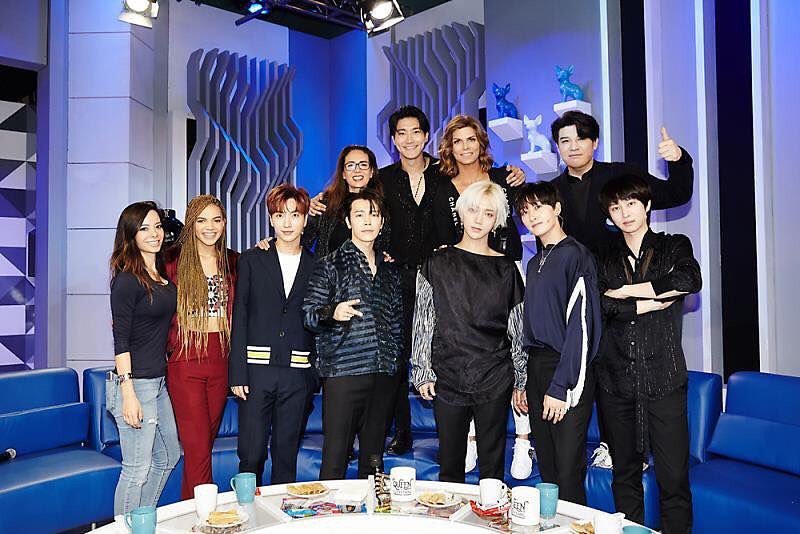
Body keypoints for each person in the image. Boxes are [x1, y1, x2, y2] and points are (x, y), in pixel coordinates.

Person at [596, 175, 701, 533]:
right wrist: (649, 301)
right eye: (615, 207)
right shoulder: (603, 256)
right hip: (615, 382)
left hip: (664, 379)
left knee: (673, 479)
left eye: (631, 203)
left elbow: (688, 281)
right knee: (624, 476)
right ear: (609, 215)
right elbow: (598, 306)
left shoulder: (674, 245)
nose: (624, 213)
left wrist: (625, 292)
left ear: (647, 206)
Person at [411, 181, 526, 483]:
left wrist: (521, 378)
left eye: (488, 213)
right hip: (447, 374)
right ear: (461, 212)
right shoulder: (436, 262)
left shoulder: (507, 269)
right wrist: (422, 370)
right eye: (473, 210)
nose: (479, 219)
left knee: (492, 469)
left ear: (497, 220)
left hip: (495, 375)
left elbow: (517, 328)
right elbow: (423, 320)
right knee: (450, 466)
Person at [302, 188, 403, 479]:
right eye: (359, 215)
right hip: (343, 373)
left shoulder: (390, 269)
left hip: (383, 374)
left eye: (374, 215)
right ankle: (330, 510)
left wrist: (395, 364)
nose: (367, 221)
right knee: (335, 458)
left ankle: (371, 509)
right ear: (348, 222)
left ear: (382, 222)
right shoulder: (329, 264)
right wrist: (332, 311)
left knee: (374, 461)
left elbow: (397, 322)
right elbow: (308, 314)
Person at [514, 181, 602, 505]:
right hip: (537, 369)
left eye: (539, 207)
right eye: (525, 211)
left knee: (567, 471)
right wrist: (524, 381)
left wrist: (561, 385)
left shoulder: (576, 255)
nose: (532, 216)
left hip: (567, 369)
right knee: (548, 468)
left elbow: (582, 326)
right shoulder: (533, 262)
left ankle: (575, 525)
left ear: (557, 209)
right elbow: (529, 327)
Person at [229, 184, 318, 486]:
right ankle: (246, 510)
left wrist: (312, 376)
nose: (287, 222)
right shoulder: (252, 259)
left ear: (305, 219)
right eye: (280, 215)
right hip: (256, 372)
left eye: (295, 215)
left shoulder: (317, 265)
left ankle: (283, 513)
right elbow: (240, 315)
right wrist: (238, 372)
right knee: (251, 454)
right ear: (271, 220)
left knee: (286, 455)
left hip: (297, 374)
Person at [163, 195, 238, 500]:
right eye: (201, 220)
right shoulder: (170, 260)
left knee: (203, 445)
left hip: (221, 357)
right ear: (190, 224)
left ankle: (189, 510)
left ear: (224, 223)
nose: (210, 227)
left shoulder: (234, 261)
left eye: (216, 220)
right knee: (196, 447)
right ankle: (205, 515)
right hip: (186, 358)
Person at [108, 201, 180, 515]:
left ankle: (142, 521)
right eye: (145, 228)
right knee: (137, 469)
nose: (154, 234)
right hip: (135, 385)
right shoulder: (127, 280)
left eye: (158, 227)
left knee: (169, 456)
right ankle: (125, 528)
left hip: (157, 383)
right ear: (131, 235)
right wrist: (128, 394)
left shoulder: (160, 275)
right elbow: (120, 340)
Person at [549, 111, 693, 256]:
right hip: (571, 270)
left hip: (624, 268)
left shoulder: (624, 174)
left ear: (595, 142)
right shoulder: (549, 191)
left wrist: (678, 159)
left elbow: (676, 193)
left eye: (581, 139)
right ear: (557, 146)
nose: (574, 147)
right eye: (566, 141)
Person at [431, 114, 523, 261]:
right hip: (463, 268)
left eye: (471, 139)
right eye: (457, 141)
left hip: (509, 264)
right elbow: (445, 240)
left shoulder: (505, 177)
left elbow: (529, 209)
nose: (465, 147)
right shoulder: (442, 192)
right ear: (450, 148)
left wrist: (521, 176)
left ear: (481, 143)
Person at [302, 145, 385, 258]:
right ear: (343, 173)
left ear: (372, 172)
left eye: (363, 165)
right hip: (329, 268)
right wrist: (305, 210)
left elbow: (386, 246)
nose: (357, 170)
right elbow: (302, 242)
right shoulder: (324, 204)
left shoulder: (381, 205)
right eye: (350, 165)